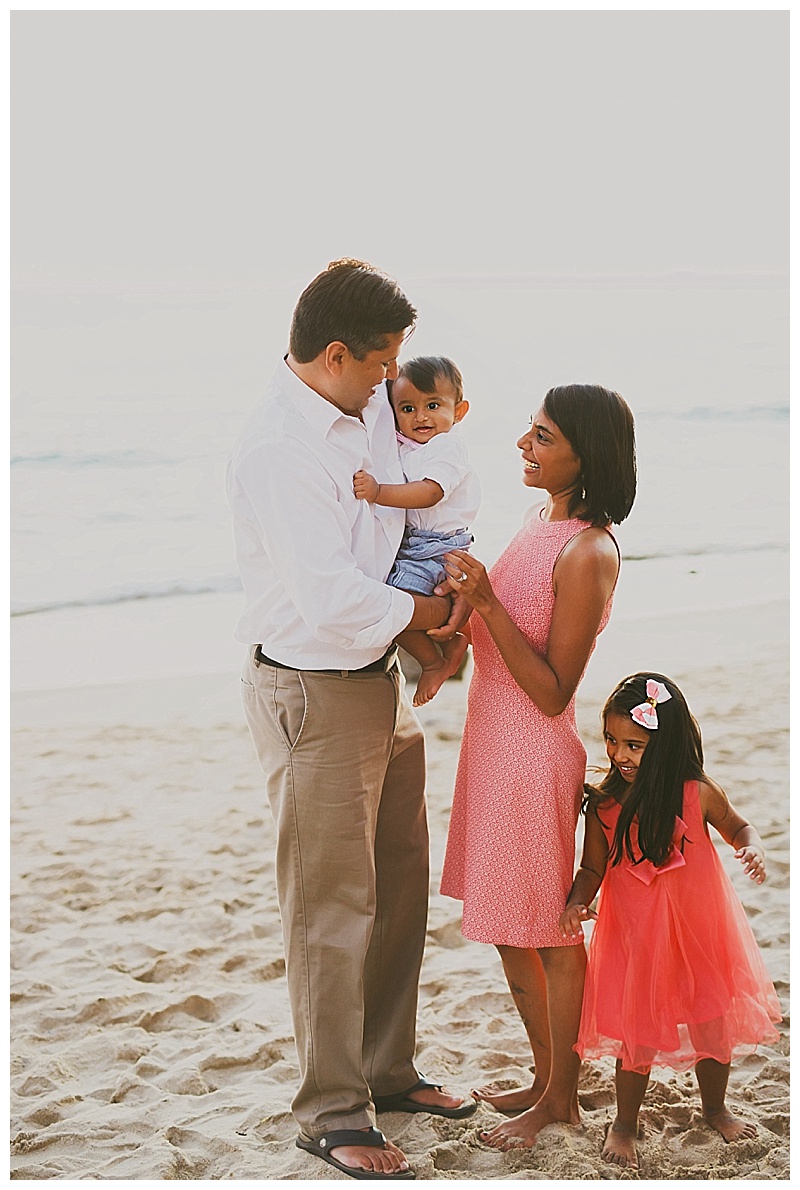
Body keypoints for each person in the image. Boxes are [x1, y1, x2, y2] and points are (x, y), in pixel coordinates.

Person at [227, 259, 475, 1182]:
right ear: (335, 355)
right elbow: (330, 598)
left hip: (375, 678)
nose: (393, 384)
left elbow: (423, 472)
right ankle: (331, 1111)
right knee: (331, 907)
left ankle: (388, 1071)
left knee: (399, 888)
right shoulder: (278, 449)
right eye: (381, 365)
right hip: (312, 688)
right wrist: (429, 617)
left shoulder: (359, 403)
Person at [437, 384, 637, 1150]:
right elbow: (495, 634)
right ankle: (548, 1074)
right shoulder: (539, 520)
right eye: (530, 429)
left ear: (587, 456)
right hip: (491, 745)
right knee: (508, 929)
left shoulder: (589, 548)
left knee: (550, 934)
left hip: (533, 755)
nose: (524, 443)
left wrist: (485, 603)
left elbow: (555, 691)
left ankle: (561, 1100)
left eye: (544, 436)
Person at [560, 673, 782, 1170]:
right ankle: (623, 1123)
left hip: (700, 932)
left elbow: (737, 825)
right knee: (637, 1033)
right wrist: (578, 901)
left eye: (635, 744)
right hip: (638, 938)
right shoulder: (604, 805)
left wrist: (752, 847)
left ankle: (715, 1107)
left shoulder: (697, 792)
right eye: (613, 741)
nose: (620, 754)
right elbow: (592, 868)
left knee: (711, 1021)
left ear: (665, 742)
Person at [354, 355, 481, 706]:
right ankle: (449, 644)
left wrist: (379, 492)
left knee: (393, 605)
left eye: (433, 405)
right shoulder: (407, 446)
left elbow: (430, 492)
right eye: (407, 408)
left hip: (438, 547)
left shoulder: (447, 447)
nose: (420, 416)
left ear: (459, 411)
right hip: (419, 545)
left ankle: (433, 663)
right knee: (394, 602)